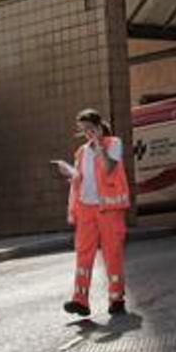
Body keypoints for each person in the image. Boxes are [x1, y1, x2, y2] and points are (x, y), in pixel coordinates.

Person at [52, 108, 130, 317]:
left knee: (112, 253)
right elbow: (80, 179)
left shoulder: (113, 143)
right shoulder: (80, 152)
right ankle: (80, 301)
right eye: (83, 130)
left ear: (98, 126)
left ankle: (116, 299)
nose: (86, 133)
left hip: (108, 208)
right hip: (86, 208)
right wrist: (69, 170)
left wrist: (98, 145)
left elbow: (108, 168)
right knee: (83, 255)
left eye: (89, 129)